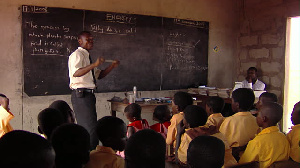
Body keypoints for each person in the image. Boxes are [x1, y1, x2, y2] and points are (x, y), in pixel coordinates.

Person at [68, 31, 120, 150]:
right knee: (89, 129)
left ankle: (89, 156)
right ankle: (91, 157)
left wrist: (112, 66)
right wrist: (94, 64)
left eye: (92, 39)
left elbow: (98, 75)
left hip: (88, 95)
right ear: (80, 41)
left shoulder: (86, 56)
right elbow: (76, 73)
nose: (91, 42)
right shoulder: (77, 55)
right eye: (88, 40)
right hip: (81, 95)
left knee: (90, 127)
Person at [239, 102, 290, 167]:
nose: (256, 116)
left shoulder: (258, 142)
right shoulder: (283, 137)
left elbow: (244, 164)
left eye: (258, 114)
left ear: (264, 119)